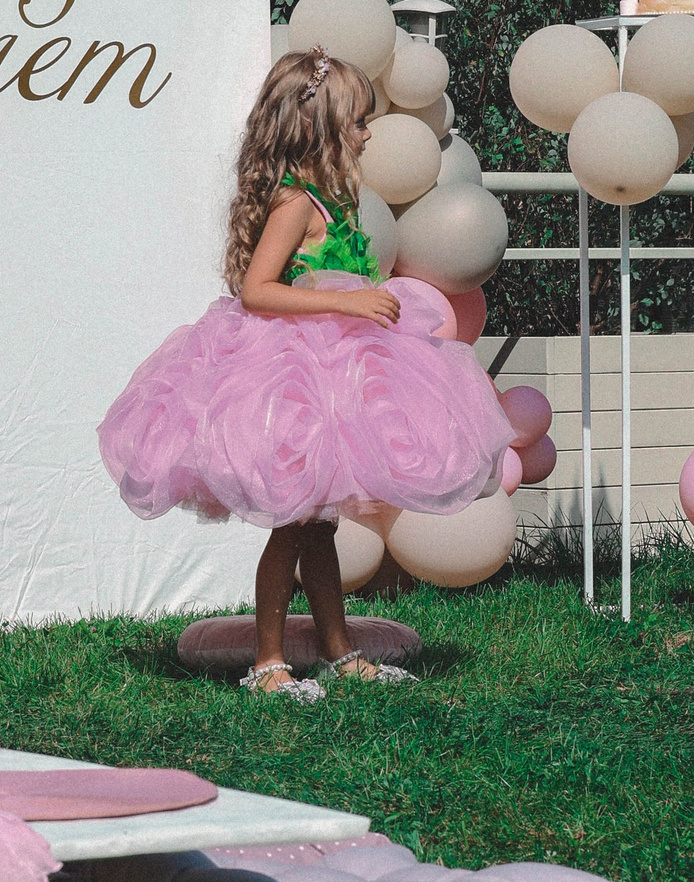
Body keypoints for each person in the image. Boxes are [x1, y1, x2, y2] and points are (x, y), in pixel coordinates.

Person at [99, 47, 516, 699]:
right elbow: (257, 290)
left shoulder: (334, 200)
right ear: (321, 128)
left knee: (321, 528)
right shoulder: (296, 203)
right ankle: (268, 662)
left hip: (337, 375)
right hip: (294, 377)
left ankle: (339, 650)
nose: (368, 134)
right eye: (358, 122)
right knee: (293, 528)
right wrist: (347, 303)